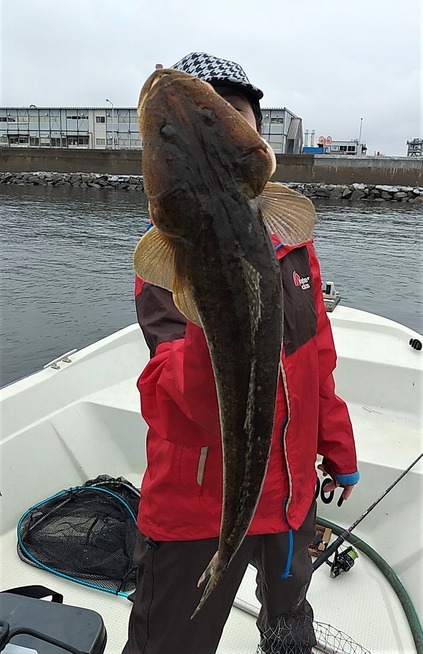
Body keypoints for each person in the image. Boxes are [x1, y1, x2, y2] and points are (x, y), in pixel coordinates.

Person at [123, 52, 360, 654]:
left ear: (255, 135)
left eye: (234, 110)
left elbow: (316, 359)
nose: (224, 118)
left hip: (290, 493)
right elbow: (186, 407)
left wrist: (337, 444)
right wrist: (213, 288)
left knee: (288, 614)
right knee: (173, 638)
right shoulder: (166, 269)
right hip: (196, 510)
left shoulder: (294, 243)